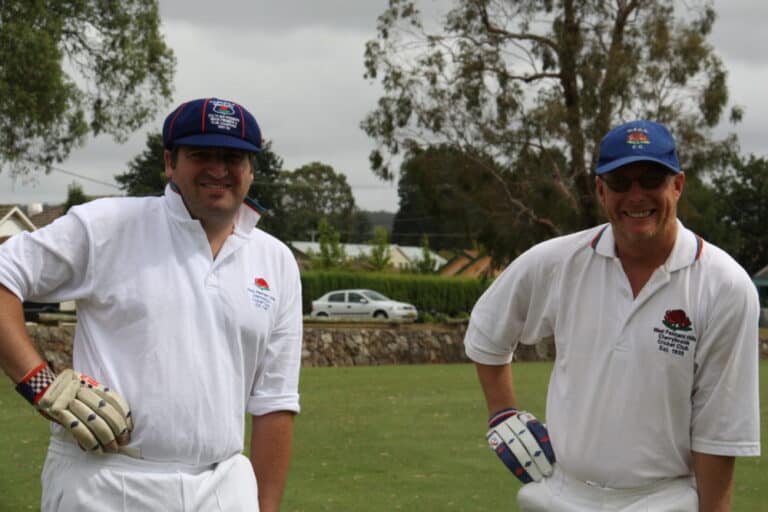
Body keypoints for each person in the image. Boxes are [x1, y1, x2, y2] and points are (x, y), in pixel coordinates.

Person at [0, 97, 303, 512]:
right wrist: (42, 386)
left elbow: (275, 401)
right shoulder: (108, 226)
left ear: (251, 169)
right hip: (103, 482)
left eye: (232, 157)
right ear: (170, 162)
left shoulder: (276, 261)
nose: (218, 169)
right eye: (201, 154)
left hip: (224, 487)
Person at [465, 120, 761, 511]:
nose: (636, 195)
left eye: (651, 178)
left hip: (662, 499)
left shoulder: (724, 286)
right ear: (602, 190)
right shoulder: (558, 261)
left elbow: (718, 429)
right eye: (621, 181)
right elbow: (487, 329)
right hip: (562, 494)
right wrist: (502, 413)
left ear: (677, 185)